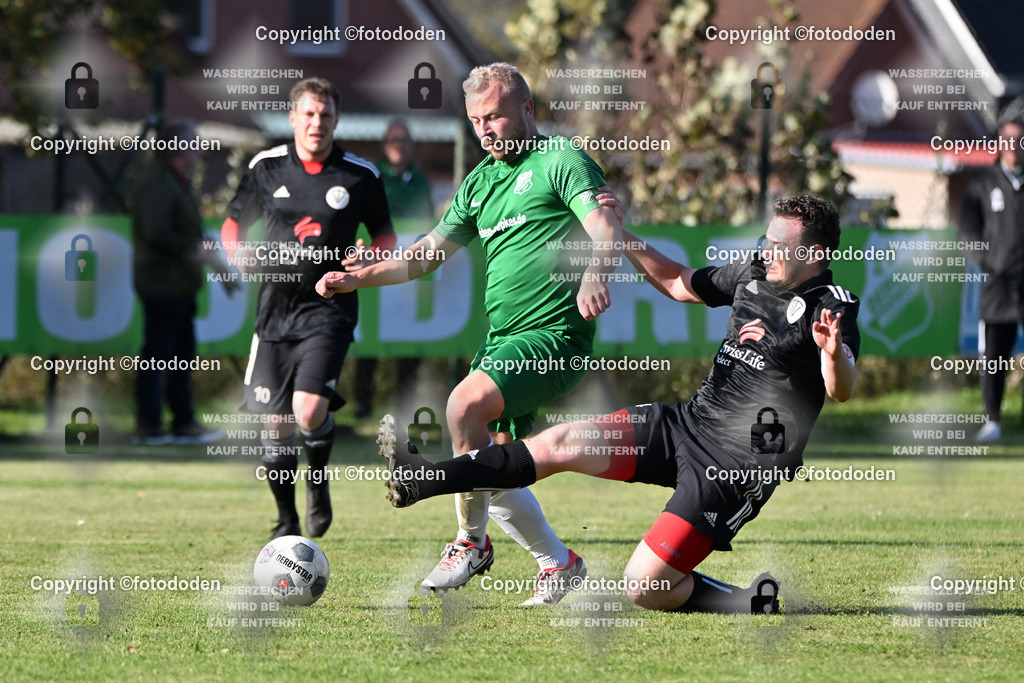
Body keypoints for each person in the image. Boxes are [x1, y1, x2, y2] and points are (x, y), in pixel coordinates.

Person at [377, 195, 860, 613]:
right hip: (687, 424)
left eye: (781, 244)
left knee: (644, 587)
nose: (768, 248)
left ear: (814, 253)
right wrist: (622, 236)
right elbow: (678, 282)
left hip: (738, 463)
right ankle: (423, 479)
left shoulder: (831, 303)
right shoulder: (754, 272)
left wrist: (832, 353)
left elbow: (840, 390)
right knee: (558, 443)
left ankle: (750, 601)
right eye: (768, 238)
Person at [317, 63, 624, 604]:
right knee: (495, 461)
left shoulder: (561, 161)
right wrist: (359, 277)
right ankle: (558, 562)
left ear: (527, 110)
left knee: (463, 408)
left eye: (496, 117)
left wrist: (596, 272)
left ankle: (469, 541)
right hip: (501, 340)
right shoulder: (478, 184)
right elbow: (425, 257)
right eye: (476, 121)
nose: (486, 129)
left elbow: (604, 224)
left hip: (555, 337)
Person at [222, 77, 396, 539]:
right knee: (276, 423)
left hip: (329, 308)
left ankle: (317, 482)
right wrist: (238, 255)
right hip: (274, 313)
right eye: (309, 114)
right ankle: (286, 518)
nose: (317, 123)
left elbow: (385, 237)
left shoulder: (361, 175)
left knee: (308, 410)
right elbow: (232, 224)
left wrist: (369, 258)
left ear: (336, 120)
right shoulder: (266, 167)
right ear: (293, 117)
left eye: (326, 115)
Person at [131, 120, 229, 445]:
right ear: (177, 148)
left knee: (181, 355)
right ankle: (149, 425)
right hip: (162, 285)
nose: (200, 149)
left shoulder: (176, 181)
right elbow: (156, 234)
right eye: (194, 143)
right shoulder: (157, 183)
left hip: (179, 286)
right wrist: (193, 250)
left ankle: (182, 422)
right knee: (158, 355)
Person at [353, 118, 435, 419]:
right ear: (384, 145)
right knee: (370, 337)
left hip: (408, 271)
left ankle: (405, 404)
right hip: (375, 266)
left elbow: (428, 221)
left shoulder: (421, 180)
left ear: (411, 145)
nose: (398, 145)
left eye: (404, 140)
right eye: (393, 140)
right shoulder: (371, 176)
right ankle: (363, 404)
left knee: (408, 340)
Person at [959, 118, 1024, 443]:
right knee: (995, 355)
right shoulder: (983, 182)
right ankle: (993, 422)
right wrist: (988, 262)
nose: (1014, 147)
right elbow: (968, 232)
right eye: (1009, 140)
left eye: (1020, 140)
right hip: (998, 285)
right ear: (1000, 143)